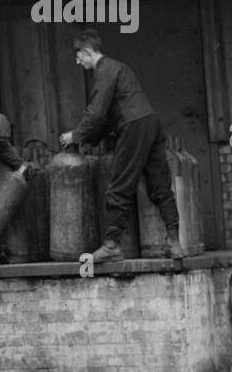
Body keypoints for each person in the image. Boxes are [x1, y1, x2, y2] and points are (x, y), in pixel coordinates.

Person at [59, 29, 182, 262]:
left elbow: (96, 114)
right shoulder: (119, 67)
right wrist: (88, 137)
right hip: (151, 123)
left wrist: (75, 136)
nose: (77, 62)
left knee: (119, 187)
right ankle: (174, 242)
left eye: (78, 56)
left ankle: (111, 245)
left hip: (133, 126)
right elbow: (107, 118)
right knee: (160, 186)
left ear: (87, 52)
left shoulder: (104, 70)